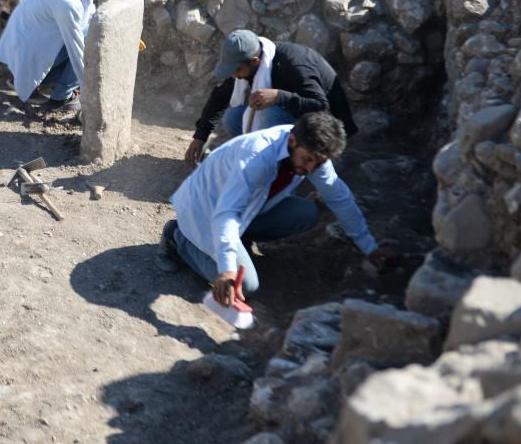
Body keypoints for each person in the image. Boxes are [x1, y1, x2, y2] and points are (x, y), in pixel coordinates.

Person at [163, 112, 399, 309]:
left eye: (317, 163)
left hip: (246, 211)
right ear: (292, 141)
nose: (310, 168)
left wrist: (370, 247)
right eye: (307, 159)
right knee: (245, 286)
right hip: (206, 212)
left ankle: (237, 242)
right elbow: (226, 214)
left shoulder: (312, 154)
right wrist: (226, 270)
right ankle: (177, 236)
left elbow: (340, 197)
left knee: (306, 214)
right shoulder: (257, 157)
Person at [184, 29, 358, 165]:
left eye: (237, 70)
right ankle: (266, 159)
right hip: (293, 120)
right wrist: (200, 136)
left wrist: (279, 96)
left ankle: (273, 168)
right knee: (232, 118)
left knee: (270, 115)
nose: (234, 77)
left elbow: (321, 107)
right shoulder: (248, 65)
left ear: (254, 61)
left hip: (325, 133)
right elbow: (220, 96)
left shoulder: (294, 63)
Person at [0, 0, 127, 111]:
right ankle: (61, 97)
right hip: (24, 59)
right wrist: (92, 95)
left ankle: (31, 80)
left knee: (91, 31)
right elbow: (77, 50)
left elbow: (88, 14)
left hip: (23, 53)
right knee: (91, 36)